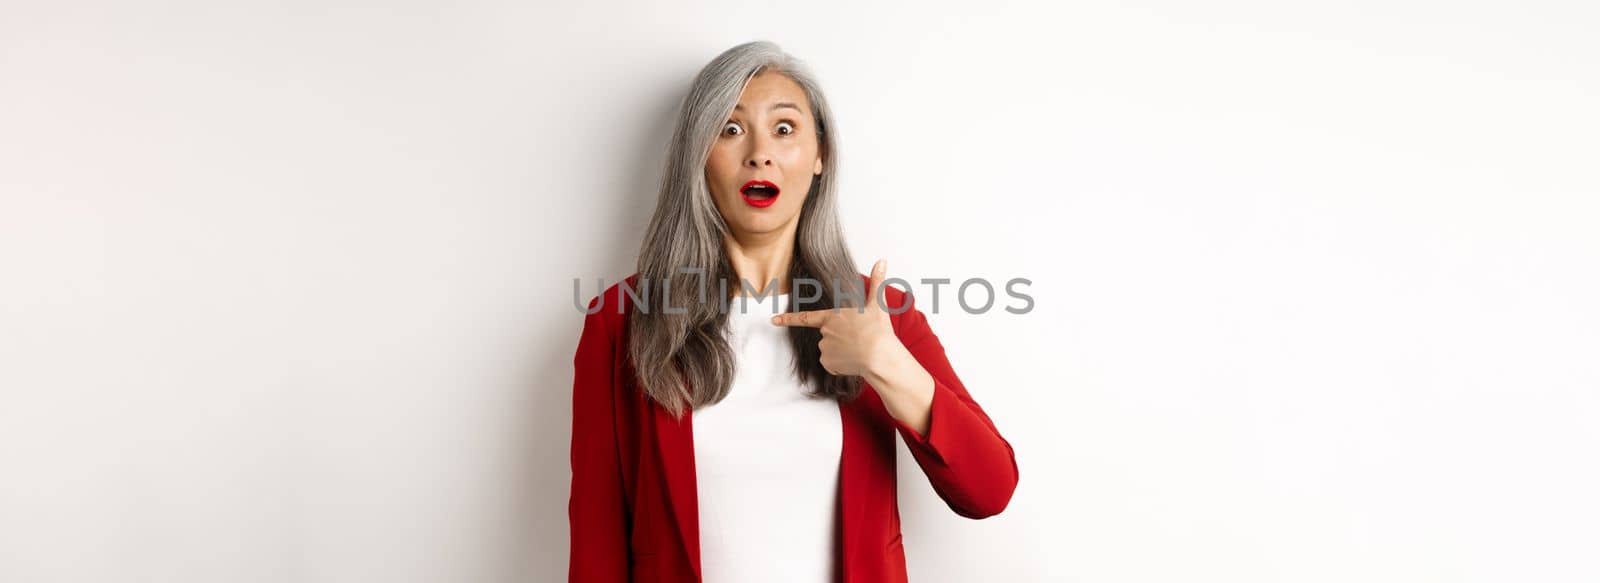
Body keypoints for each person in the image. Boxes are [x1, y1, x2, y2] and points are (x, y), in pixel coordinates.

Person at [569, 40, 1019, 583]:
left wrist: (888, 363)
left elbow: (989, 491)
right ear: (697, 155)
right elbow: (596, 542)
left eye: (784, 129)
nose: (760, 153)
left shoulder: (880, 314)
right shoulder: (622, 320)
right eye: (730, 129)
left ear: (820, 155)